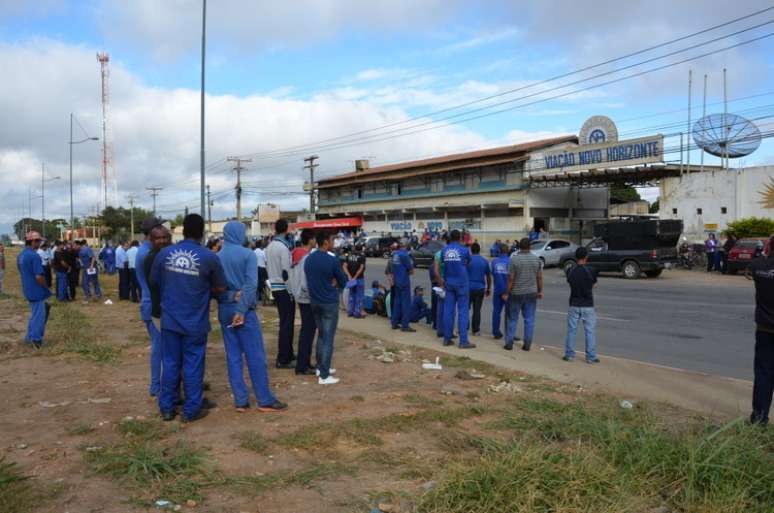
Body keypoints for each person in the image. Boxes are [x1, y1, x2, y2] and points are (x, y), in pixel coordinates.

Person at [150, 214, 226, 423]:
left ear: (182, 231)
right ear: (202, 233)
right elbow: (221, 287)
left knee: (171, 363)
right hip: (195, 321)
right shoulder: (210, 257)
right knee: (193, 365)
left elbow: (154, 281)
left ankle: (167, 408)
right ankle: (191, 410)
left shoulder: (164, 254)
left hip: (170, 320)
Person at [217, 221, 287, 412]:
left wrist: (230, 297)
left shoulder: (217, 256)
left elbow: (214, 289)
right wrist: (240, 311)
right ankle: (264, 399)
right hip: (244, 311)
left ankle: (240, 401)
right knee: (255, 355)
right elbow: (250, 285)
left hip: (224, 308)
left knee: (233, 356)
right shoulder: (247, 254)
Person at [305, 231, 347, 385]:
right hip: (329, 302)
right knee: (328, 338)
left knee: (322, 335)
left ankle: (320, 367)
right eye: (331, 241)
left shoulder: (309, 259)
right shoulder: (332, 259)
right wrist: (335, 282)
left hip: (314, 301)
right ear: (325, 243)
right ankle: (324, 375)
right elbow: (343, 280)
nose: (332, 243)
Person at [136, 218, 167, 397]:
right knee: (159, 347)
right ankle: (156, 386)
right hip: (152, 305)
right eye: (159, 228)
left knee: (159, 346)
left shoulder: (147, 251)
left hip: (149, 303)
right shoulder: (147, 254)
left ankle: (158, 385)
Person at [749, 235, 774, 425]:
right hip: (764, 330)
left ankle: (759, 419)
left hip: (765, 330)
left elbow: (751, 270)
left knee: (764, 374)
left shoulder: (757, 266)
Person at [503, 238, 543, 351]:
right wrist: (540, 291)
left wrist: (507, 292)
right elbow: (539, 277)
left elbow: (510, 279)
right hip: (531, 293)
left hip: (516, 293)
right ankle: (527, 345)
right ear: (530, 247)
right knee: (529, 319)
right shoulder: (536, 260)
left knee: (512, 319)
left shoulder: (514, 260)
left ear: (519, 247)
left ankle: (509, 343)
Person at [266, 219, 296, 369]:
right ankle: (283, 358)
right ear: (286, 229)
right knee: (287, 325)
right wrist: (292, 291)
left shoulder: (270, 246)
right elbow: (286, 272)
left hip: (275, 287)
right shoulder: (283, 247)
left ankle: (288, 353)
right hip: (284, 289)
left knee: (286, 323)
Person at [562, 247, 600, 363]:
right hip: (588, 304)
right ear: (586, 257)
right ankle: (591, 357)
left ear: (575, 257)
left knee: (571, 330)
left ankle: (569, 355)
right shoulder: (591, 270)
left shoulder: (570, 270)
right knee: (590, 331)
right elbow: (594, 284)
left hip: (574, 303)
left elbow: (570, 281)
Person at [289, 229, 317, 376]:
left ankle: (305, 362)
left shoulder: (296, 252)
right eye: (314, 238)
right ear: (311, 240)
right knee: (308, 331)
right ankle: (302, 365)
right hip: (305, 297)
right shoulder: (305, 255)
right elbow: (305, 280)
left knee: (308, 330)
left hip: (299, 295)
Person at [439, 229, 474, 348]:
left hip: (449, 282)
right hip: (462, 283)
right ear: (460, 238)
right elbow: (469, 263)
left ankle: (446, 339)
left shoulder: (444, 250)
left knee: (448, 311)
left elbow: (443, 264)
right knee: (463, 312)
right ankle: (463, 341)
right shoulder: (465, 250)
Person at [17, 231, 51, 347]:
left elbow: (21, 272)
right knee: (39, 316)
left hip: (27, 288)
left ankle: (29, 337)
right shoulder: (34, 255)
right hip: (36, 290)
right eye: (39, 241)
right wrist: (46, 287)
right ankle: (36, 340)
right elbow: (39, 276)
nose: (40, 243)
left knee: (35, 314)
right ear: (33, 241)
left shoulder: (21, 255)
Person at [390, 240, 415, 332]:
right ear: (406, 246)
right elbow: (411, 269)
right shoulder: (404, 255)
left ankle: (394, 323)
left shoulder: (395, 254)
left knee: (397, 302)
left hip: (397, 280)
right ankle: (405, 325)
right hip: (404, 281)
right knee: (406, 304)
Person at [467, 242, 491, 336]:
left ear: (471, 250)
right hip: (480, 288)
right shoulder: (484, 261)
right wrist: (488, 288)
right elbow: (488, 276)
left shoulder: (468, 260)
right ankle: (475, 330)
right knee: (477, 310)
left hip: (468, 288)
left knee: (465, 309)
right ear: (479, 250)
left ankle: (464, 327)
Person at [490, 243, 510, 340]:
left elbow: (493, 274)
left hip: (497, 289)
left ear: (499, 251)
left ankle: (495, 332)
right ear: (508, 251)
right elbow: (512, 277)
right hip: (507, 290)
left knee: (496, 312)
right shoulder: (510, 261)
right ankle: (509, 333)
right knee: (509, 313)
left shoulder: (494, 262)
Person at [344, 244, 366, 318]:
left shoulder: (349, 255)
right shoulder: (362, 256)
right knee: (359, 296)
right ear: (361, 249)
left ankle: (350, 312)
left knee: (351, 295)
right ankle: (357, 313)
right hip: (359, 279)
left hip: (351, 279)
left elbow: (344, 266)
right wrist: (355, 277)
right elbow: (361, 268)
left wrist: (349, 276)